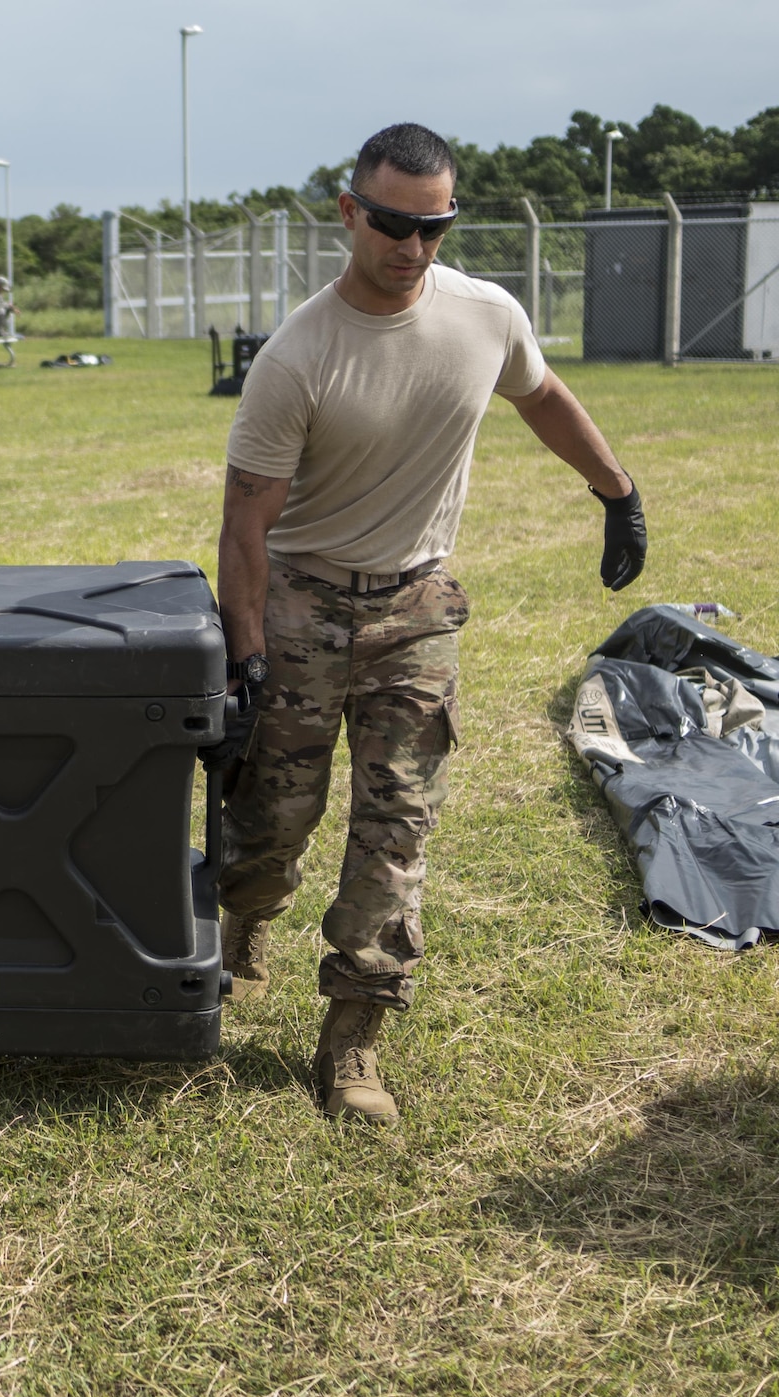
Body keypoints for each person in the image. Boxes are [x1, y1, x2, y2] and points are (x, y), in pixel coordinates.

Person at [212, 122, 648, 1126]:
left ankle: (353, 1036)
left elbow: (538, 395)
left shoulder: (483, 315)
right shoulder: (298, 356)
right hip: (301, 601)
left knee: (396, 825)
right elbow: (244, 524)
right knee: (273, 815)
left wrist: (614, 490)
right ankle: (243, 916)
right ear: (348, 213)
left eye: (432, 227)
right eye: (391, 224)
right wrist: (244, 659)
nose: (409, 248)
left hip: (416, 606)